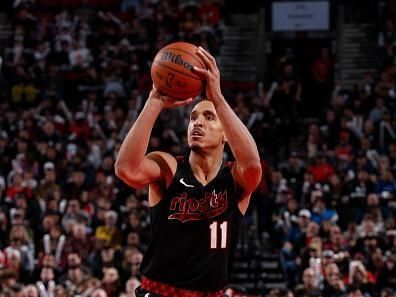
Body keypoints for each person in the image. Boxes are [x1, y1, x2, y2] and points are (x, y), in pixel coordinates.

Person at [115, 46, 262, 296]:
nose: (197, 123)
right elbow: (126, 169)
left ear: (225, 133)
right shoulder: (169, 167)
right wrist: (154, 102)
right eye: (193, 118)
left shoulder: (233, 179)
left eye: (208, 117)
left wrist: (217, 98)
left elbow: (253, 165)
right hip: (161, 292)